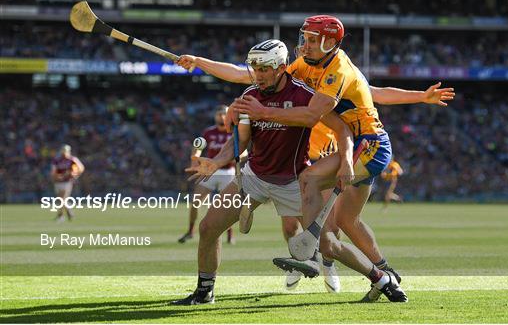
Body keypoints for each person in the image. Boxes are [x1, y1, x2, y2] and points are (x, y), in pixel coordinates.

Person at [175, 16, 454, 301]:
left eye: (310, 40)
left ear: (329, 42)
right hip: (321, 153)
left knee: (314, 192)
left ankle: (320, 258)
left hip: (366, 144)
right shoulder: (302, 66)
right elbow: (374, 93)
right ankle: (384, 273)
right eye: (304, 38)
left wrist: (263, 113)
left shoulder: (337, 70)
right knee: (347, 220)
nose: (303, 45)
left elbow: (313, 115)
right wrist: (198, 61)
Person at [178, 105, 236, 245]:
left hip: (228, 172)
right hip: (209, 172)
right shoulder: (208, 132)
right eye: (219, 114)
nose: (221, 117)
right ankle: (191, 231)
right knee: (195, 203)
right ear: (215, 116)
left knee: (227, 206)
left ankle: (230, 235)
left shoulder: (235, 132)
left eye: (224, 114)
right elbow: (198, 146)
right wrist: (195, 159)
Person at [50, 144, 84, 221]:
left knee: (62, 198)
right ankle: (69, 212)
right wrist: (56, 176)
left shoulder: (72, 159)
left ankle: (60, 215)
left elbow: (80, 168)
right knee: (62, 199)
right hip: (58, 182)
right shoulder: (57, 160)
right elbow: (53, 171)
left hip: (67, 182)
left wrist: (74, 175)